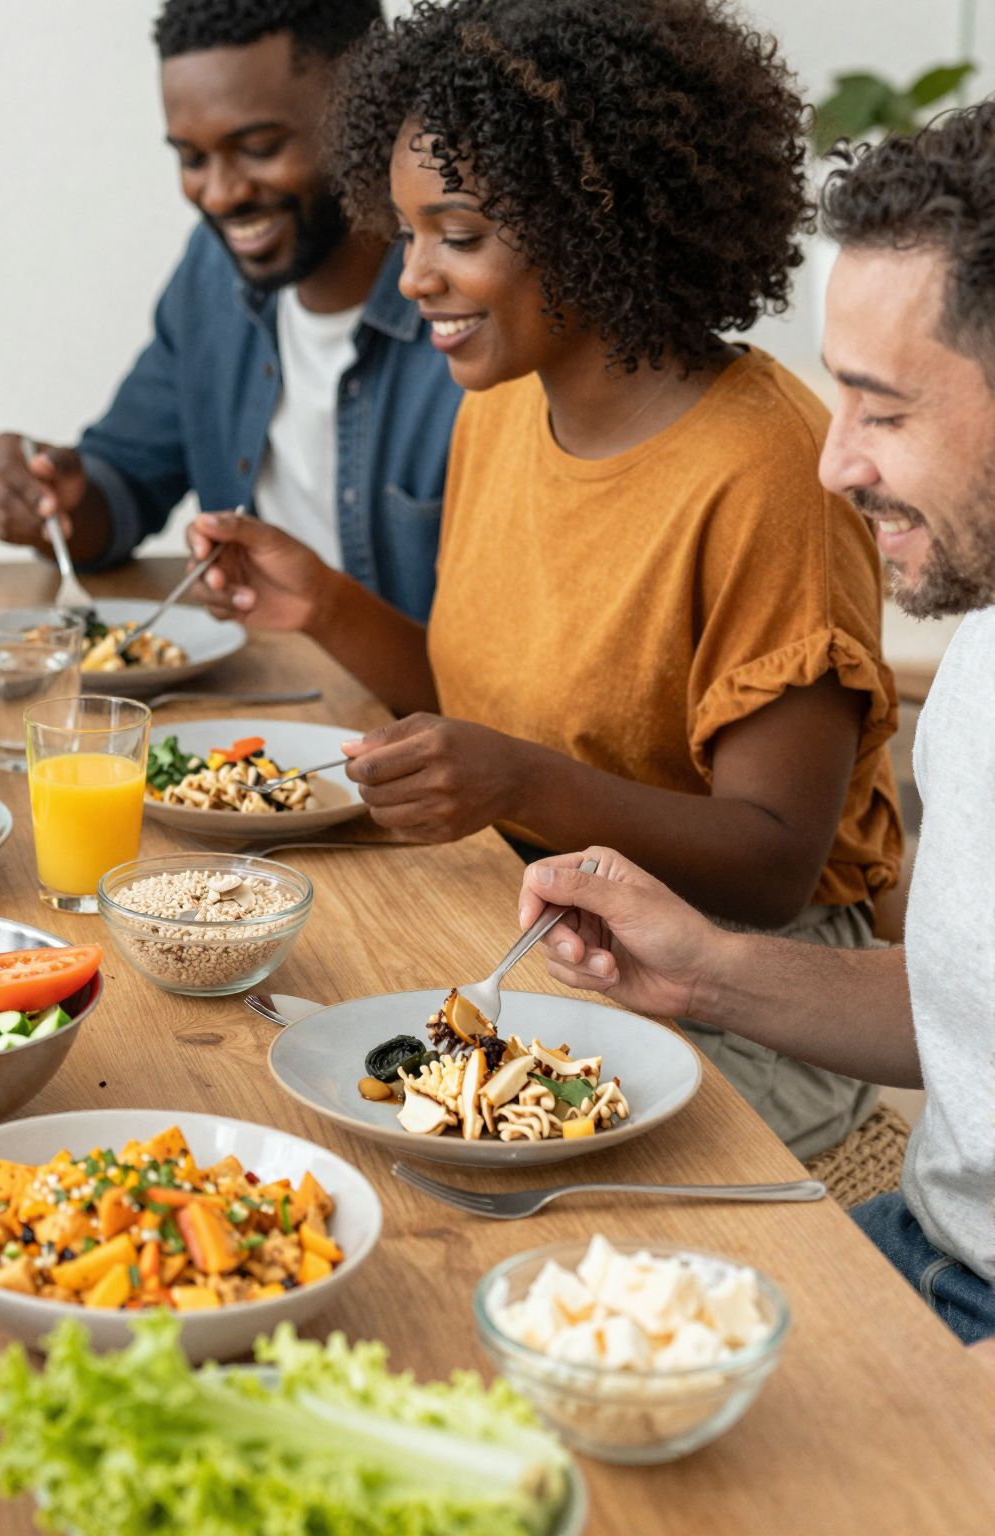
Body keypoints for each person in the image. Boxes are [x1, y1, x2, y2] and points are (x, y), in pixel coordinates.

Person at [188, 0, 902, 1157]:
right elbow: (490, 710)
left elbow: (771, 861)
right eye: (406, 230)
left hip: (738, 983)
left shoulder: (769, 468)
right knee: (255, 1078)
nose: (412, 275)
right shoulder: (506, 402)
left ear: (597, 222)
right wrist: (318, 602)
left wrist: (521, 781)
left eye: (456, 234)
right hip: (535, 909)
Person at [515, 102, 995, 1362]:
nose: (831, 465)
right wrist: (703, 971)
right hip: (924, 1250)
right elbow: (968, 1014)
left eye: (881, 412)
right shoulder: (982, 659)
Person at [0, 0, 460, 620]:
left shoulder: (469, 314)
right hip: (271, 691)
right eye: (191, 158)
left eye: (258, 147)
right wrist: (55, 505)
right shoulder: (212, 272)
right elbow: (124, 484)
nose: (221, 193)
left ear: (369, 108)